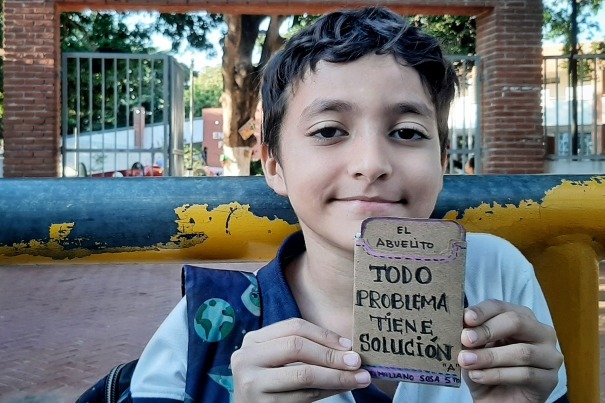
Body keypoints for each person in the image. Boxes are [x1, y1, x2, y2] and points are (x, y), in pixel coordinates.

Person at [130, 7, 567, 402]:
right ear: (273, 164)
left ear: (442, 158)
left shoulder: (496, 276)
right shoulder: (204, 329)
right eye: (328, 131)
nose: (372, 164)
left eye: (408, 132)